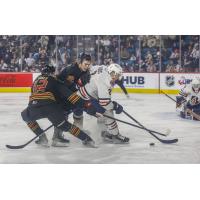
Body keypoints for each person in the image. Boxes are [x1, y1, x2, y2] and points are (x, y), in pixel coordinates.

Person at [21, 65, 104, 147]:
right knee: (65, 125)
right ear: (51, 73)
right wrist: (86, 105)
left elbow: (35, 96)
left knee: (25, 116)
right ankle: (86, 139)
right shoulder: (53, 80)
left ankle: (42, 137)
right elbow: (70, 96)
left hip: (34, 106)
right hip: (50, 108)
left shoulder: (35, 81)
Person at [77, 63, 130, 144]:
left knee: (102, 112)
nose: (119, 77)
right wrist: (116, 106)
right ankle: (115, 135)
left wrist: (83, 78)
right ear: (113, 73)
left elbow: (91, 68)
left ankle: (103, 132)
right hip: (86, 99)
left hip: (86, 95)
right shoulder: (106, 81)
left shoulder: (104, 68)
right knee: (108, 112)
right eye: (118, 75)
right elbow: (104, 103)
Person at [51, 53, 92, 146]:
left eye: (89, 64)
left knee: (79, 108)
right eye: (85, 64)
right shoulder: (72, 70)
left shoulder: (85, 71)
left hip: (70, 92)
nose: (87, 66)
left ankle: (79, 128)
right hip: (60, 93)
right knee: (63, 113)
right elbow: (64, 87)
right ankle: (56, 137)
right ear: (79, 63)